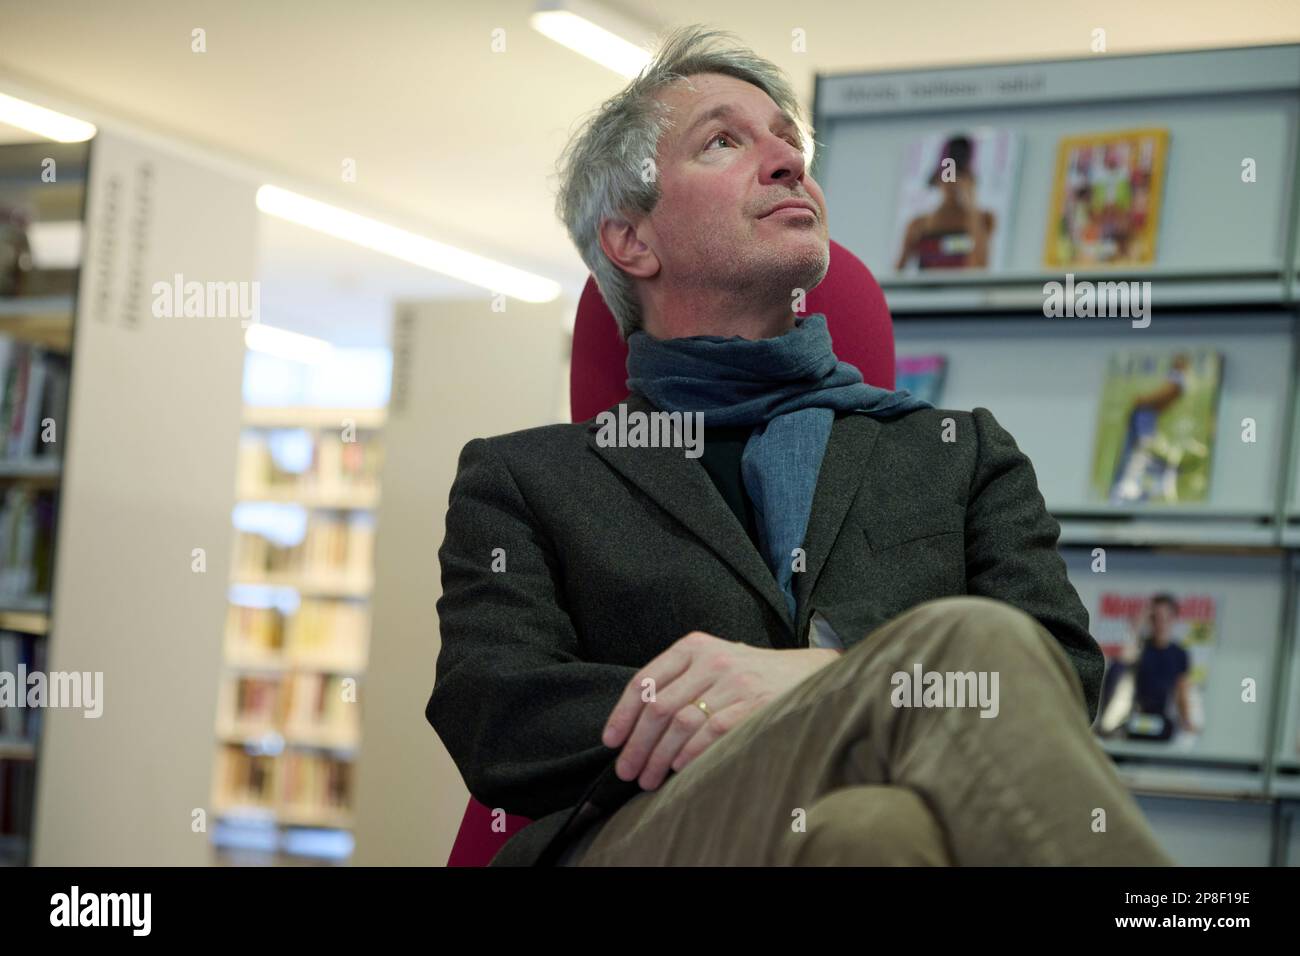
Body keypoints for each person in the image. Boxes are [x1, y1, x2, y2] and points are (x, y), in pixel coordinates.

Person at [425, 24, 1172, 867]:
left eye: (787, 140)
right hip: (645, 833)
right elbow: (495, 711)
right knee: (969, 642)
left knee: (874, 837)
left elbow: (1063, 676)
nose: (787, 162)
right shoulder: (523, 479)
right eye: (723, 141)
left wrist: (819, 676)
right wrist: (726, 709)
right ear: (632, 240)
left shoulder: (958, 453)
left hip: (860, 829)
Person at [894, 134, 996, 270]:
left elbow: (980, 266)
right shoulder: (919, 224)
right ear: (937, 179)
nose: (952, 183)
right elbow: (898, 272)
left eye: (958, 175)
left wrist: (971, 205)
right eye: (947, 176)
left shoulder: (983, 219)